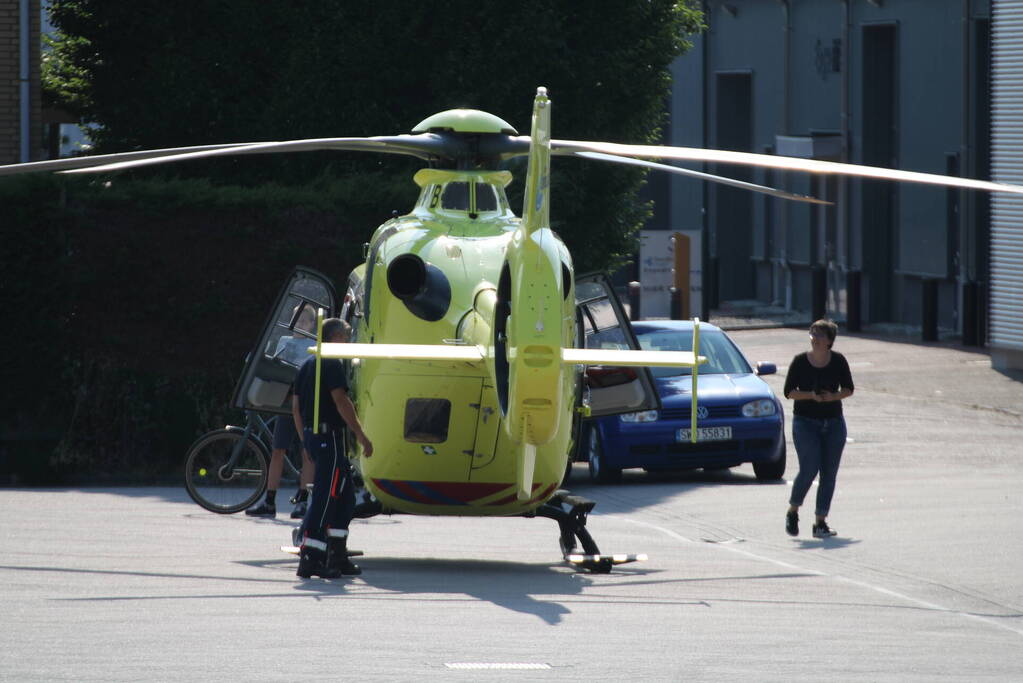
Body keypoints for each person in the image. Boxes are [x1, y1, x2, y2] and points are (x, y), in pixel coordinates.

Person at [292, 317, 374, 579]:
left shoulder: (307, 364)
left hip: (315, 437)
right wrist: (361, 435)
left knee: (346, 498)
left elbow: (295, 408)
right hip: (330, 440)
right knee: (326, 499)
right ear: (336, 337)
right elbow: (341, 400)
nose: (349, 342)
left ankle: (337, 556)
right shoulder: (331, 363)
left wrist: (305, 440)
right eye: (348, 336)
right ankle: (310, 557)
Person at [783, 319, 854, 538]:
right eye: (812, 334)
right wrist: (811, 396)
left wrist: (833, 396)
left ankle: (820, 522)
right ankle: (793, 510)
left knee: (829, 473)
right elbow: (789, 392)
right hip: (805, 422)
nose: (814, 338)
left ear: (829, 341)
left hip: (833, 422)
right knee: (809, 468)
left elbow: (849, 388)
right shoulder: (800, 361)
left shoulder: (839, 361)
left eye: (820, 335)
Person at [246, 307, 317, 518]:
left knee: (307, 453)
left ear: (312, 324)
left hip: (304, 403)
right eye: (298, 320)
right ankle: (269, 501)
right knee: (277, 450)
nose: (301, 324)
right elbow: (275, 365)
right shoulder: (284, 341)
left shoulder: (314, 345)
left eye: (306, 321)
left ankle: (303, 501)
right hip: (285, 404)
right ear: (291, 321)